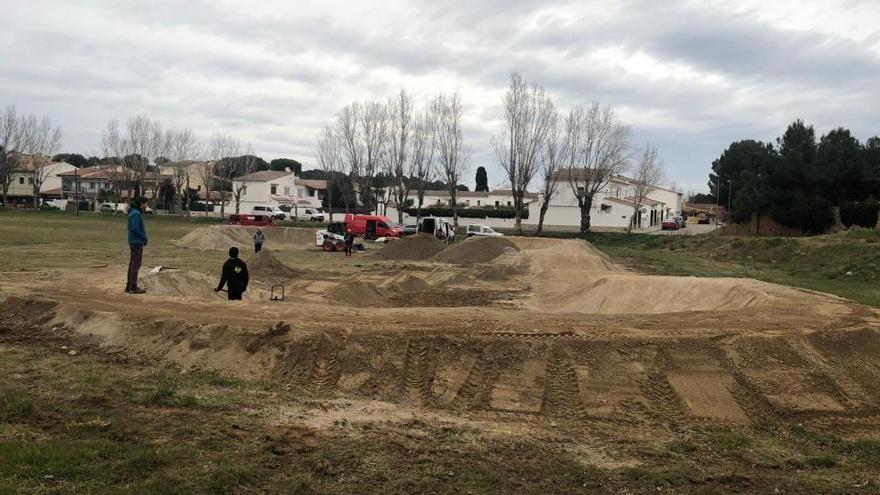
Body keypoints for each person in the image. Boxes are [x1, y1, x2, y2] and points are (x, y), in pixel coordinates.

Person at [126, 197, 149, 294]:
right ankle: (133, 287)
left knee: (133, 263)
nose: (147, 206)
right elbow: (135, 229)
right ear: (141, 204)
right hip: (137, 242)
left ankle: (129, 285)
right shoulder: (136, 214)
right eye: (146, 203)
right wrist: (144, 238)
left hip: (134, 241)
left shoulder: (133, 212)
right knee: (136, 264)